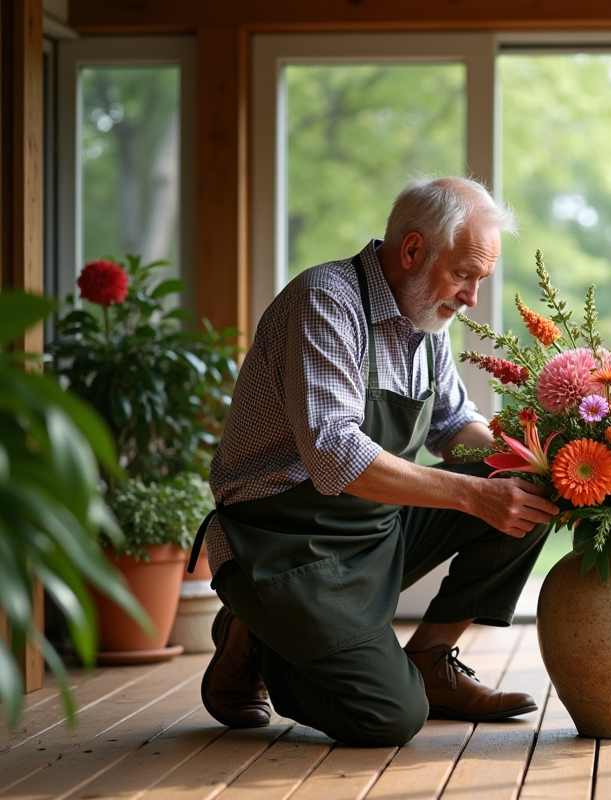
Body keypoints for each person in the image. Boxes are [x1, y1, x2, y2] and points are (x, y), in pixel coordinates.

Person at [192, 176, 559, 747]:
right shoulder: (326, 301)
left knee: (525, 491)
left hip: (371, 527)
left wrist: (546, 460)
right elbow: (336, 453)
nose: (470, 298)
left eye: (478, 281)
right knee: (389, 718)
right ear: (412, 250)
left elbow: (453, 429)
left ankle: (432, 660)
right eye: (463, 274)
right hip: (280, 544)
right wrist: (471, 495)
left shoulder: (425, 316)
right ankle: (262, 639)